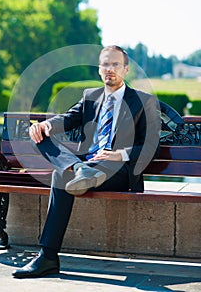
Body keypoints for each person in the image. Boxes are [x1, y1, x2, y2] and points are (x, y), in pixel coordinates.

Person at [12, 45, 161, 278]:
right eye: (105, 64)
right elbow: (68, 119)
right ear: (99, 69)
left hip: (118, 170)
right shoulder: (91, 96)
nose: (109, 69)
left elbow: (152, 145)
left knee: (61, 175)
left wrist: (119, 154)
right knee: (39, 136)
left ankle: (47, 256)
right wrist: (46, 125)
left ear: (126, 69)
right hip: (87, 166)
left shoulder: (144, 100)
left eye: (115, 64)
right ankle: (79, 170)